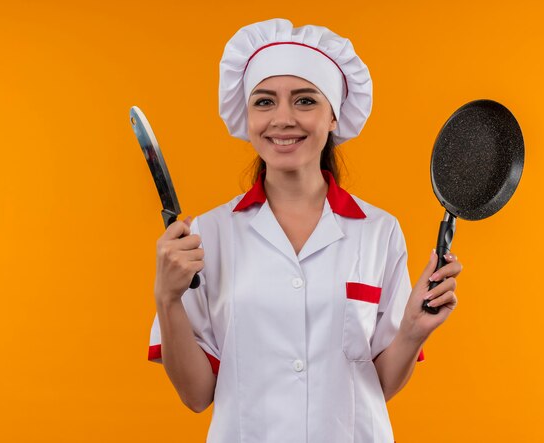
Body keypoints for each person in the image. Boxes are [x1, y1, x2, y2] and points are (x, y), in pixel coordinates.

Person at [148, 18, 462, 443]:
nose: (282, 119)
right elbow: (197, 395)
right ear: (247, 116)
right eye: (263, 102)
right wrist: (167, 298)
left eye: (304, 100)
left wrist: (412, 330)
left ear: (333, 115)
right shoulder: (208, 234)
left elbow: (379, 385)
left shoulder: (378, 232)